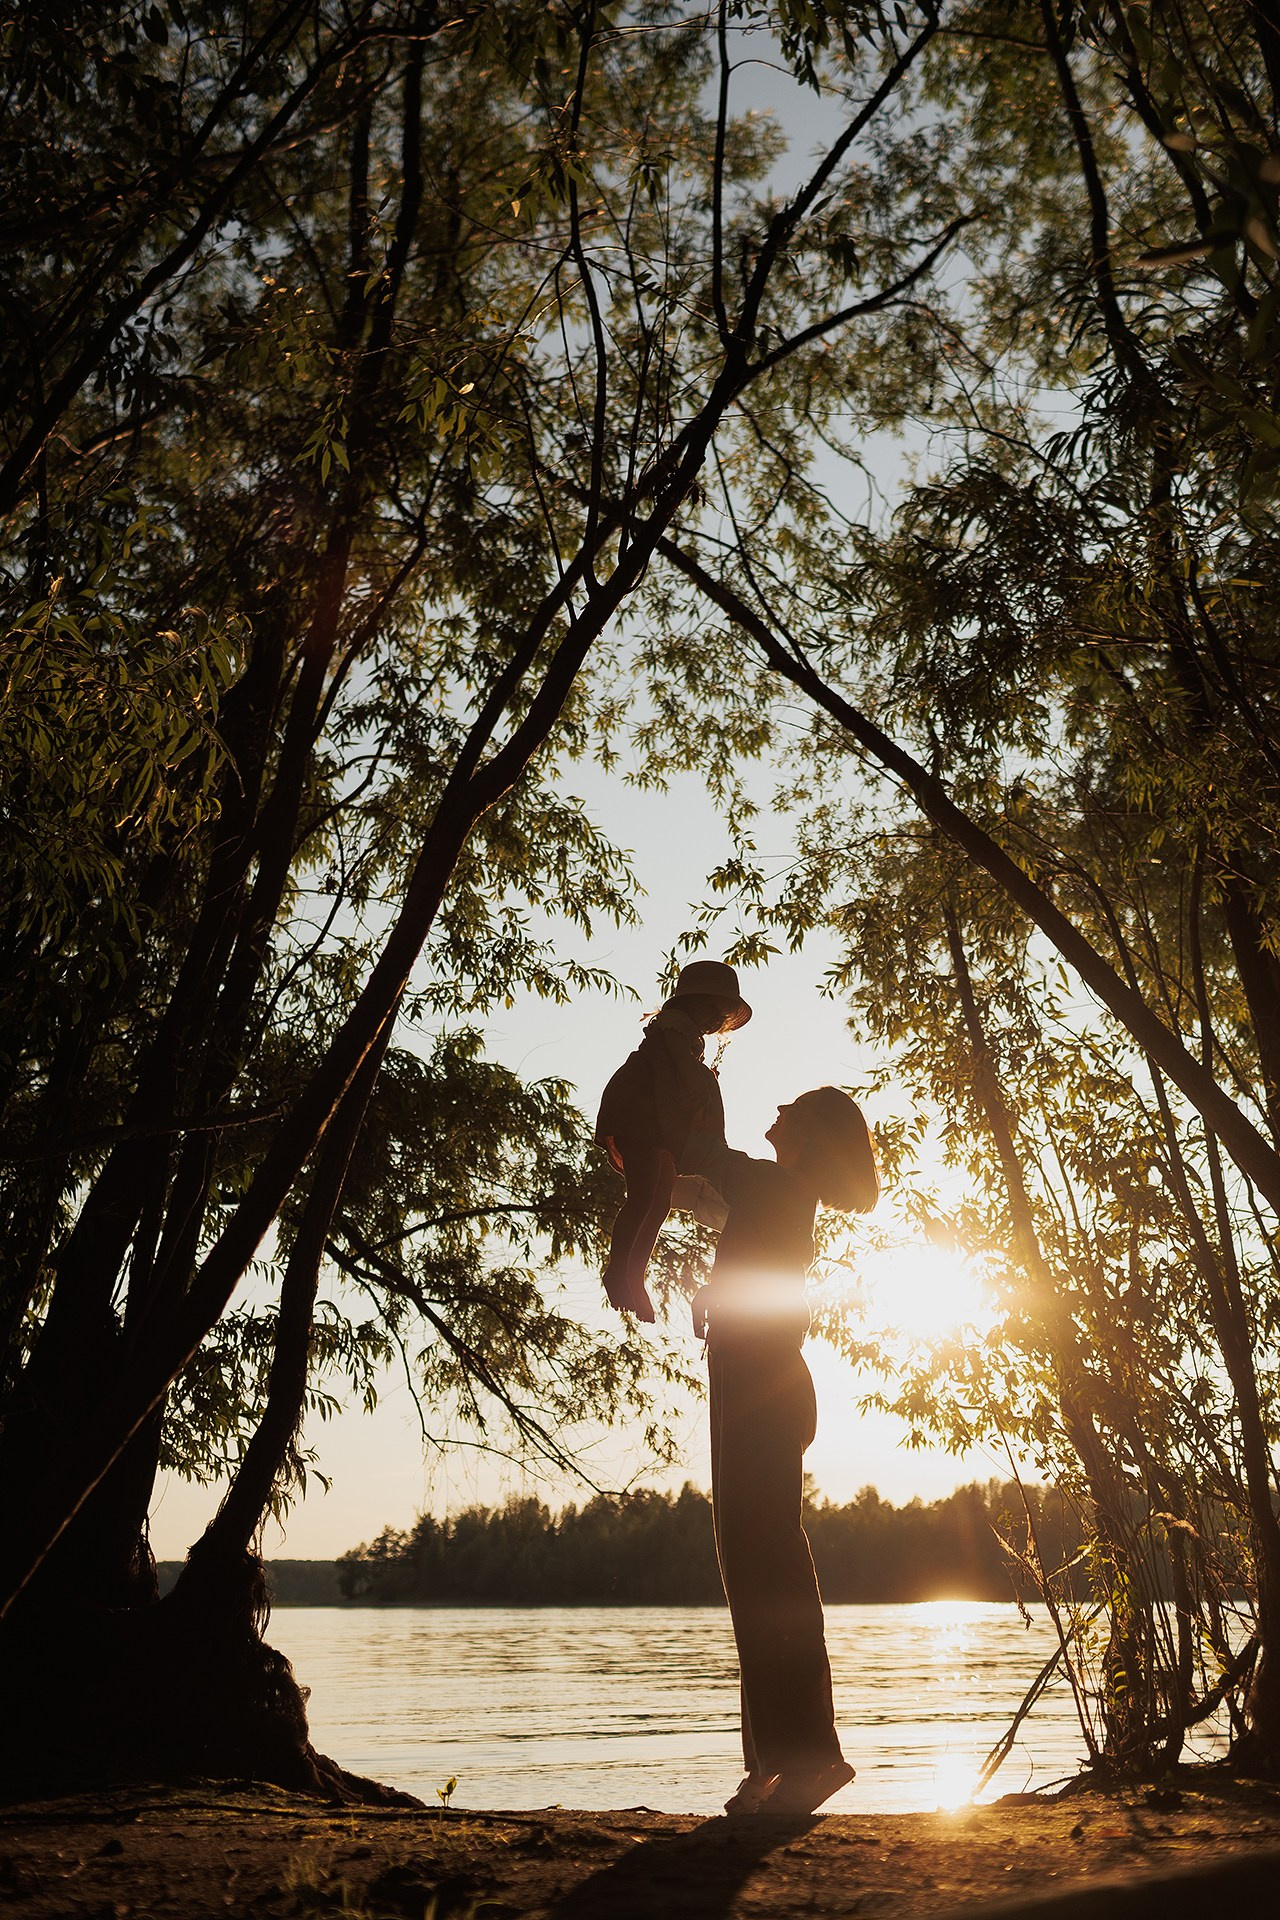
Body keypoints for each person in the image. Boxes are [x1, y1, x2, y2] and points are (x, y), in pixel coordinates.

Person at [680, 1086, 879, 1817]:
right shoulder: (778, 1194)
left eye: (791, 1107)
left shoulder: (770, 1185)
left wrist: (680, 1078)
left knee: (765, 1564)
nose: (780, 1108)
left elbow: (699, 1153)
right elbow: (707, 1196)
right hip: (753, 1381)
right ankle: (775, 1761)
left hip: (760, 1386)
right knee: (753, 1563)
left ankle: (807, 1759)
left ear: (807, 1136)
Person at [594, 960, 751, 1322]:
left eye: (720, 1014)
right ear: (688, 1003)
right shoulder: (673, 1033)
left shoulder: (684, 1039)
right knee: (644, 1196)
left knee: (659, 1201)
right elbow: (673, 1079)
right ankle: (621, 1270)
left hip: (655, 1120)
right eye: (711, 1009)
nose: (714, 1019)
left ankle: (632, 1272)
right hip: (641, 1114)